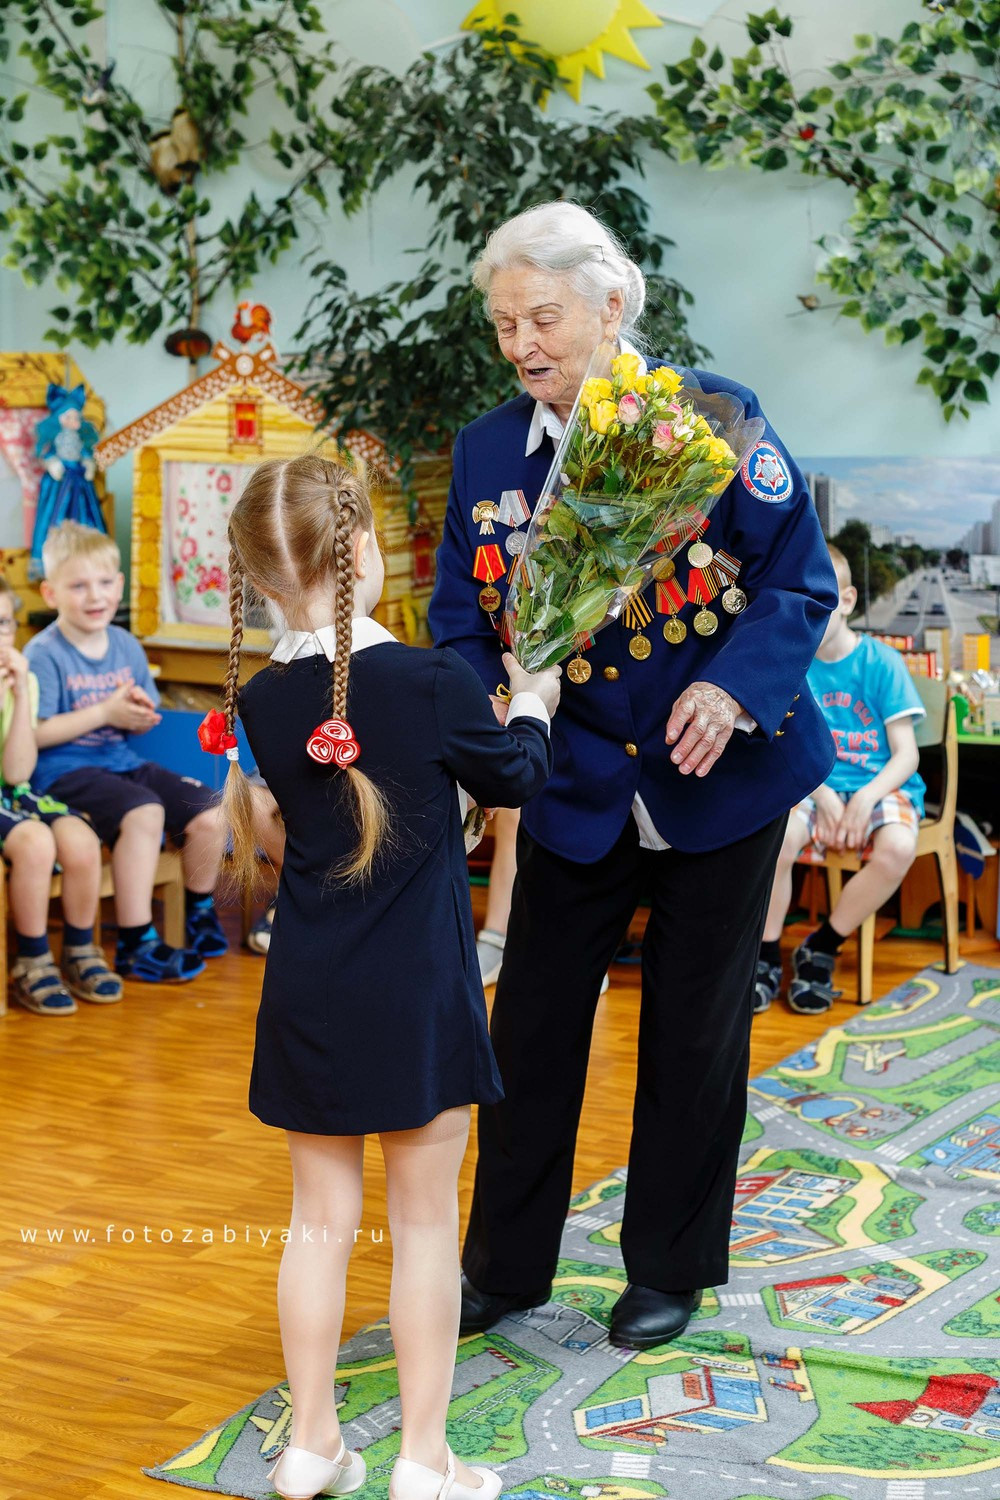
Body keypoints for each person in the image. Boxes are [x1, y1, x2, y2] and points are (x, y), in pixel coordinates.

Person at [429, 199, 839, 1351]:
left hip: (720, 777)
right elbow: (460, 621)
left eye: (542, 316)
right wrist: (498, 720)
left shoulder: (711, 419)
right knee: (532, 1032)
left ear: (612, 306)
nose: (522, 345)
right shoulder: (486, 453)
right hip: (571, 781)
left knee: (691, 1038)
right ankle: (504, 1269)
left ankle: (667, 1269)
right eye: (505, 323)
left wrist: (731, 689)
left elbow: (800, 582)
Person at [217, 453, 558, 1500]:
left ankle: (310, 1445)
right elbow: (516, 779)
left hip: (310, 988)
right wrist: (535, 697)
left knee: (315, 1221)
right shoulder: (433, 680)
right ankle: (424, 1458)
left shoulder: (265, 700)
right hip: (415, 993)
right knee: (421, 1225)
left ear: (262, 580)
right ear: (362, 549)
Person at [24, 521, 226, 983]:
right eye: (78, 585)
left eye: (103, 583)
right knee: (145, 810)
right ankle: (136, 944)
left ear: (119, 586)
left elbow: (145, 707)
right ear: (50, 593)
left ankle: (198, 909)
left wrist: (138, 712)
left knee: (211, 811)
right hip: (62, 774)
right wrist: (106, 712)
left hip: (122, 764)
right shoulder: (43, 653)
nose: (94, 596)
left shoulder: (125, 645)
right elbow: (34, 734)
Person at [755, 544, 925, 1015]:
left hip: (878, 786)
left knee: (897, 848)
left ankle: (823, 946)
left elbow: (906, 754)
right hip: (813, 786)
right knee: (777, 839)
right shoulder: (791, 665)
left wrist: (865, 799)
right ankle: (767, 955)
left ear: (847, 600)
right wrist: (824, 796)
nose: (809, 607)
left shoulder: (882, 663)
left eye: (822, 596)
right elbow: (782, 745)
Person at [0, 576, 121, 1014]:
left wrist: (14, 693)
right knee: (35, 843)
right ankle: (31, 958)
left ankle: (78, 948)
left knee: (82, 839)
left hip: (11, 789)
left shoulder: (22, 681)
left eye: (4, 624)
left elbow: (16, 772)